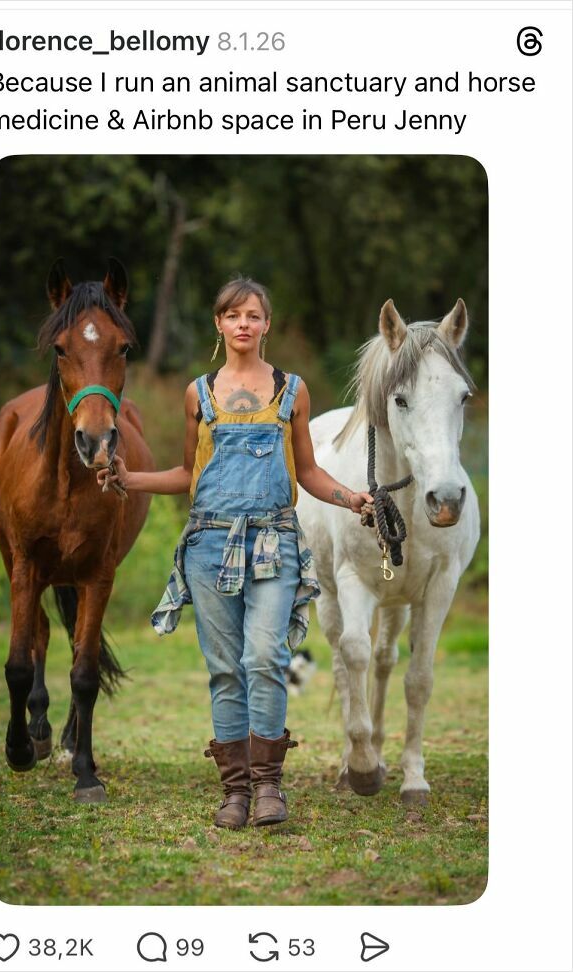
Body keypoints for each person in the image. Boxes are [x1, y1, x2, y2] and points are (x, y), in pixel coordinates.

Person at [98, 277, 373, 829]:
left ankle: (269, 787)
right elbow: (188, 473)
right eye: (232, 315)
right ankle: (235, 792)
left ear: (266, 325)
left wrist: (353, 498)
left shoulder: (292, 391)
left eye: (252, 315)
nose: (243, 323)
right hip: (208, 544)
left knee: (265, 658)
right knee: (225, 670)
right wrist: (131, 478)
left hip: (274, 540)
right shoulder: (197, 394)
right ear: (219, 324)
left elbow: (309, 471)